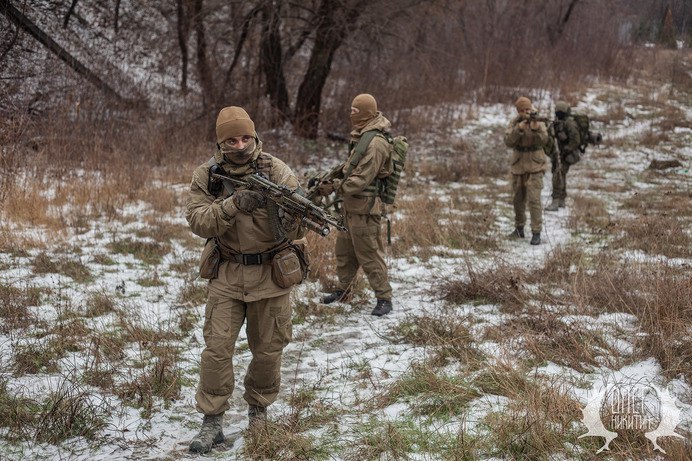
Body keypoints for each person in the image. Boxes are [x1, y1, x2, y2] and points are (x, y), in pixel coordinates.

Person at [185, 106, 304, 454]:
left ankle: (258, 412)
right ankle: (212, 422)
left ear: (255, 136)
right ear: (221, 142)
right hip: (227, 273)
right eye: (232, 140)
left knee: (268, 350)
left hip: (270, 274)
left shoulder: (276, 170)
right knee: (217, 350)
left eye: (246, 137)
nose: (240, 145)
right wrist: (233, 205)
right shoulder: (208, 175)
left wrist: (287, 210)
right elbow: (198, 221)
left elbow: (296, 228)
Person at [318, 93, 394, 316]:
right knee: (344, 253)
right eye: (351, 110)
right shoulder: (361, 137)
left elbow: (361, 179)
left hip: (364, 209)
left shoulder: (376, 143)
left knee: (370, 254)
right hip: (349, 207)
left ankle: (384, 298)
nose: (351, 114)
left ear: (365, 113)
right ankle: (344, 290)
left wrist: (335, 187)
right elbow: (349, 169)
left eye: (355, 111)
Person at [503, 96, 549, 245]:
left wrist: (535, 129)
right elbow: (508, 141)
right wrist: (519, 130)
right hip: (518, 166)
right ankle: (519, 228)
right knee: (518, 200)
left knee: (534, 199)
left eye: (527, 109)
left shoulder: (538, 121)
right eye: (521, 110)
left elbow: (545, 140)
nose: (525, 112)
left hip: (535, 166)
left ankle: (536, 232)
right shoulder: (515, 122)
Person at [545, 101, 581, 211]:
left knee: (557, 176)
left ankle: (556, 201)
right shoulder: (556, 123)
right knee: (561, 176)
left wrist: (565, 150)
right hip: (558, 155)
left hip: (566, 155)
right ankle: (561, 201)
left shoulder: (570, 124)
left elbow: (576, 140)